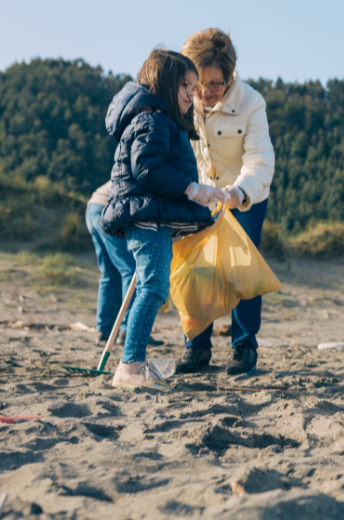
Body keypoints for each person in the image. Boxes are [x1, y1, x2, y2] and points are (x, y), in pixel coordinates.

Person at [102, 49, 229, 390]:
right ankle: (130, 368)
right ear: (164, 83)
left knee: (151, 287)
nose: (193, 93)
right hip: (146, 218)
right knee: (154, 288)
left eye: (194, 85)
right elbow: (147, 168)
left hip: (152, 216)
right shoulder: (153, 119)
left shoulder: (162, 120)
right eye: (186, 85)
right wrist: (191, 189)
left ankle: (134, 361)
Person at [178, 28, 275, 376]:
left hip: (244, 197)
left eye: (215, 84)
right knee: (197, 269)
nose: (205, 92)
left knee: (242, 271)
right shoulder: (183, 99)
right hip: (200, 196)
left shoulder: (252, 102)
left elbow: (261, 160)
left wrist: (239, 193)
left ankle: (244, 347)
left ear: (230, 76)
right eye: (197, 84)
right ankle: (196, 348)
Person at [85, 181, 164, 348]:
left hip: (93, 207)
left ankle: (104, 331)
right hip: (107, 209)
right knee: (130, 269)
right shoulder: (153, 170)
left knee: (110, 274)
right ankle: (129, 329)